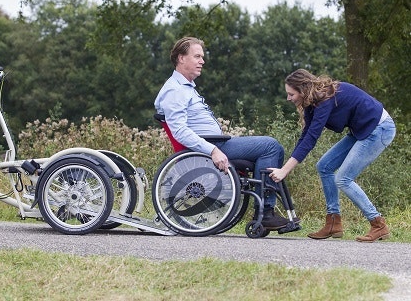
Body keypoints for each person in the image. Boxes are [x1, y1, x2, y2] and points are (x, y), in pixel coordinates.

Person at [154, 36, 290, 230]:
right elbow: (179, 131)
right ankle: (266, 212)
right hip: (210, 147)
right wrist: (212, 151)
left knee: (268, 150)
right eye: (197, 56)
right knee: (270, 146)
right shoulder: (175, 90)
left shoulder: (185, 88)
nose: (202, 61)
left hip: (216, 143)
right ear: (181, 58)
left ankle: (265, 211)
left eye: (202, 56)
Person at [268, 69, 396, 242]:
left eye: (291, 94)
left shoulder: (324, 100)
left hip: (379, 129)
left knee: (343, 179)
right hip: (361, 130)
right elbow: (305, 136)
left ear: (303, 90)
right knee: (324, 166)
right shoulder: (312, 103)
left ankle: (378, 224)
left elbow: (312, 138)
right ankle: (333, 222)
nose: (288, 98)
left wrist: (285, 171)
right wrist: (285, 168)